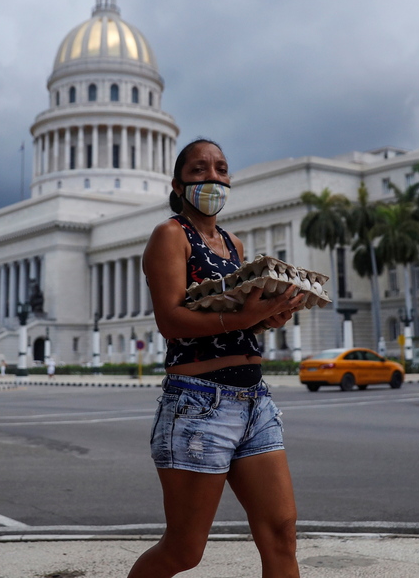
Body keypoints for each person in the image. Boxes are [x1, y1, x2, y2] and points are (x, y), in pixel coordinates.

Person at [127, 139, 305, 578]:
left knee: (281, 532)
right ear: (178, 183)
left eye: (221, 169)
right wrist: (247, 316)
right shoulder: (170, 235)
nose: (213, 177)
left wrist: (269, 317)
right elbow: (171, 320)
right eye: (199, 169)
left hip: (253, 402)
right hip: (199, 404)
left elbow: (239, 320)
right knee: (184, 551)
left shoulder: (234, 244)